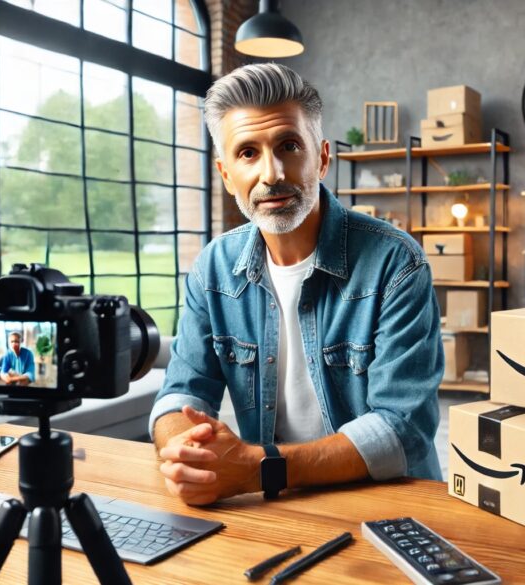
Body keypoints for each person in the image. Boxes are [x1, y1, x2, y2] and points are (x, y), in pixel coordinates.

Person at [148, 63, 443, 506]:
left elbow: (403, 428)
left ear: (322, 157)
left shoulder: (395, 261)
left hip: (389, 504)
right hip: (276, 503)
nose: (271, 174)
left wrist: (256, 468)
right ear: (226, 174)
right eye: (247, 153)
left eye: (288, 145)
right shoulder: (213, 268)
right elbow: (181, 392)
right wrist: (187, 453)